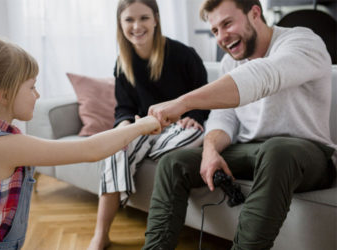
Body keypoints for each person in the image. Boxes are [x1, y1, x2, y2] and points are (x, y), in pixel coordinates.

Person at [144, 0, 337, 249]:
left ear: (254, 13)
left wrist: (182, 103)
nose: (222, 37)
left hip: (308, 154)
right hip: (252, 150)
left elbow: (263, 77)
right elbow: (225, 117)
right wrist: (210, 151)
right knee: (174, 162)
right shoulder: (230, 63)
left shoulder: (302, 42)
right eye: (215, 31)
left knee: (276, 150)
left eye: (227, 23)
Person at [0, 38, 161, 249]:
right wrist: (141, 126)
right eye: (31, 86)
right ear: (4, 96)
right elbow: (90, 149)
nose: (37, 94)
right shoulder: (2, 146)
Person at [88, 0, 211, 249]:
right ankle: (100, 235)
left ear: (156, 19)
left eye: (143, 18)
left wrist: (194, 116)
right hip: (145, 127)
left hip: (182, 127)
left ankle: (133, 161)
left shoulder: (183, 54)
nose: (137, 26)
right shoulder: (123, 64)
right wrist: (122, 126)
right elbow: (124, 108)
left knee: (180, 139)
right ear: (120, 24)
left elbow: (206, 96)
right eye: (129, 20)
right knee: (114, 149)